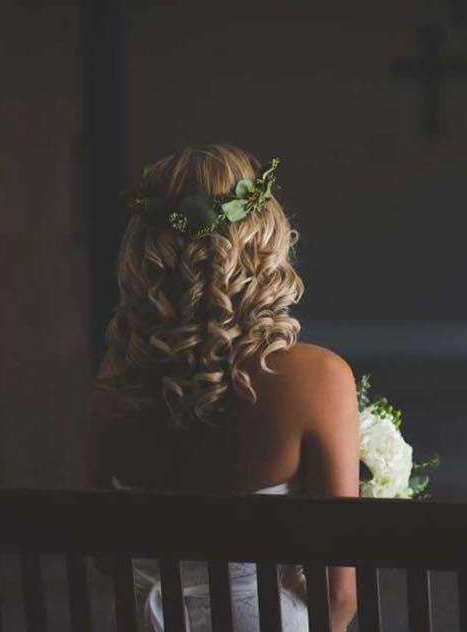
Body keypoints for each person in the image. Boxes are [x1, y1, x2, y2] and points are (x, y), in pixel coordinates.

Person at [86, 144, 359, 631]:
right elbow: (339, 597)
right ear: (264, 236)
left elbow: (107, 559)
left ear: (145, 248)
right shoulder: (318, 380)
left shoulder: (114, 379)